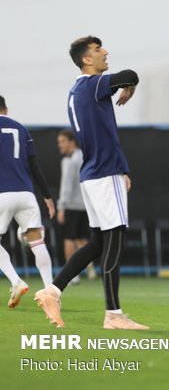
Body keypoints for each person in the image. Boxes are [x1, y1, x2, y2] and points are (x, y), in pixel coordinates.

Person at [33, 36, 148, 329]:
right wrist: (129, 84)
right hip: (103, 174)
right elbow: (130, 75)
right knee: (115, 241)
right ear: (86, 59)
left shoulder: (76, 90)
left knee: (98, 243)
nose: (105, 52)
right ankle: (113, 314)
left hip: (94, 174)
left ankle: (53, 290)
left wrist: (121, 169)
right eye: (98, 50)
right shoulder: (93, 85)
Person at [0, 95, 55, 308]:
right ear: (6, 108)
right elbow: (34, 165)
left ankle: (15, 281)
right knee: (36, 241)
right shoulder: (21, 129)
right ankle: (51, 291)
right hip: (26, 193)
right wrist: (48, 196)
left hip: (2, 193)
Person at [56, 128, 95, 284]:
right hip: (86, 205)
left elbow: (66, 185)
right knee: (82, 239)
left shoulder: (68, 160)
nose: (60, 145)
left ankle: (73, 275)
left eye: (62, 141)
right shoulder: (85, 156)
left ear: (71, 141)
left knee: (69, 239)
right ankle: (90, 267)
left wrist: (61, 206)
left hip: (72, 205)